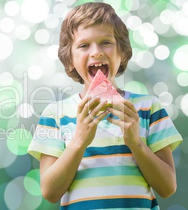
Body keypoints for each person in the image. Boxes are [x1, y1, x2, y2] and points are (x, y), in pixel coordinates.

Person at [27, 2, 183, 209]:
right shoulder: (54, 115)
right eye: (84, 45)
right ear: (70, 59)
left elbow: (167, 187)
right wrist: (79, 141)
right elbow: (50, 192)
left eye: (106, 42)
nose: (97, 52)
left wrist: (136, 143)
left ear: (123, 53)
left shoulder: (148, 108)